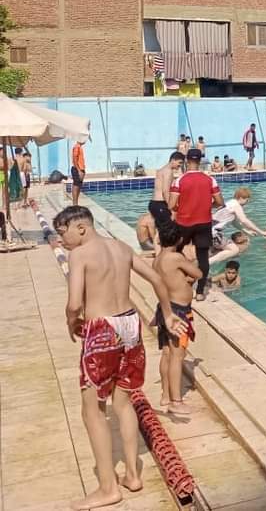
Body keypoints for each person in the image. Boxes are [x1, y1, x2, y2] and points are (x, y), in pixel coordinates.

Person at [56, 205, 180, 510]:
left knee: (92, 410)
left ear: (81, 228)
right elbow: (156, 279)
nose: (62, 240)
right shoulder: (121, 247)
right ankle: (132, 475)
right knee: (123, 402)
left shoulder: (80, 254)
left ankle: (108, 488)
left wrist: (71, 321)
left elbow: (74, 303)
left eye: (63, 233)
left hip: (103, 328)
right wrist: (167, 314)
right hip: (129, 324)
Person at [153, 223, 202, 415]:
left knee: (166, 354)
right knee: (177, 356)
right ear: (179, 239)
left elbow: (169, 280)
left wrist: (183, 278)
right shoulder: (175, 258)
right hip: (179, 312)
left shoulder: (158, 259)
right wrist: (190, 266)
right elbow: (198, 273)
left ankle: (166, 395)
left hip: (164, 309)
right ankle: (176, 401)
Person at [169, 149, 223, 301]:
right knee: (203, 258)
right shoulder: (210, 180)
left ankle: (177, 283)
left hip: (184, 223)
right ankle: (199, 292)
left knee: (175, 252)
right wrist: (207, 206)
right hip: (204, 223)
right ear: (200, 161)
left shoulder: (179, 180)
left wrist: (181, 208)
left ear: (187, 161)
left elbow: (171, 205)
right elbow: (220, 202)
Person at [150, 152, 184, 225]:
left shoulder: (162, 170)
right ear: (173, 160)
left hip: (153, 203)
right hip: (160, 204)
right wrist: (171, 208)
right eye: (180, 162)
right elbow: (165, 191)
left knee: (160, 228)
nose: (180, 165)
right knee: (168, 228)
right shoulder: (168, 172)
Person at [71, 139, 87, 207]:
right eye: (84, 139)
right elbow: (75, 159)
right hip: (77, 169)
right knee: (76, 186)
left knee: (78, 186)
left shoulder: (79, 147)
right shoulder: (77, 147)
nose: (85, 141)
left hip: (80, 169)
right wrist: (79, 170)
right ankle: (75, 204)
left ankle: (76, 203)